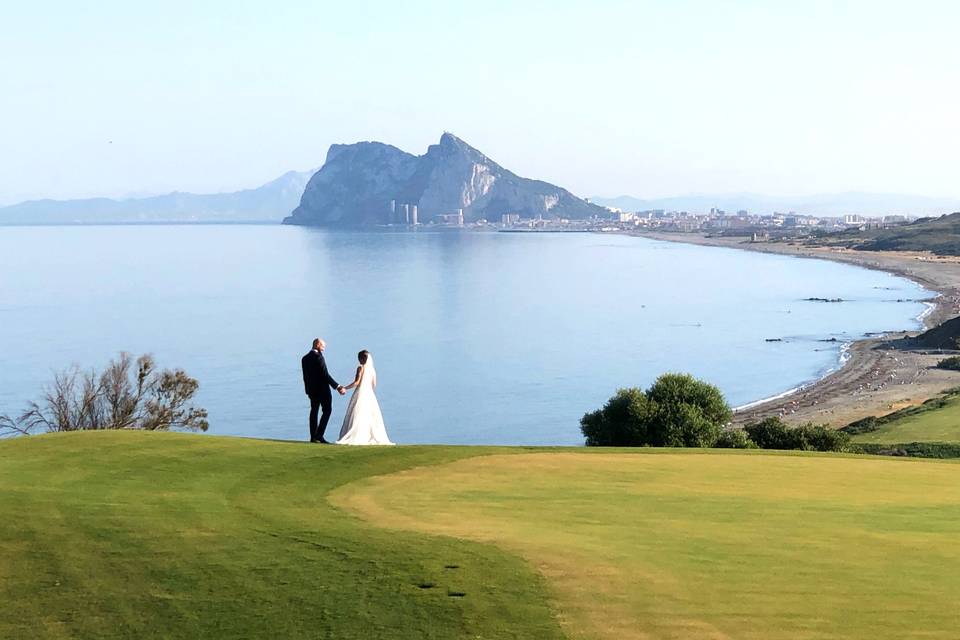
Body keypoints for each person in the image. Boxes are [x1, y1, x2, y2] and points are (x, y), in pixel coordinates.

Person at [336, 350, 393, 445]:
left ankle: (357, 435)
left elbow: (356, 382)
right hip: (370, 395)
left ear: (361, 359)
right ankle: (368, 435)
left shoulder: (360, 368)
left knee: (357, 414)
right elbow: (374, 384)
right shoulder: (372, 370)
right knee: (370, 416)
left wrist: (345, 387)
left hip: (360, 393)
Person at [301, 338, 345, 443]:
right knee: (327, 410)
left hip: (312, 390)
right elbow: (325, 375)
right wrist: (338, 386)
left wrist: (307, 390)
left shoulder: (304, 358)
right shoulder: (318, 357)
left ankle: (313, 437)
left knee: (314, 411)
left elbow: (305, 377)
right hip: (323, 389)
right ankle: (319, 435)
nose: (324, 349)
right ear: (317, 345)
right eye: (323, 346)